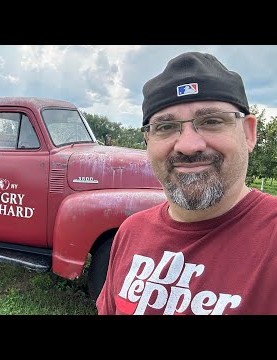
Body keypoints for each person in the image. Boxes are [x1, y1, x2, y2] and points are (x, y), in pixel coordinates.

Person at [96, 51, 277, 315]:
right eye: (165, 127)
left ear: (249, 133)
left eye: (212, 121)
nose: (188, 146)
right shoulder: (130, 233)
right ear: (148, 141)